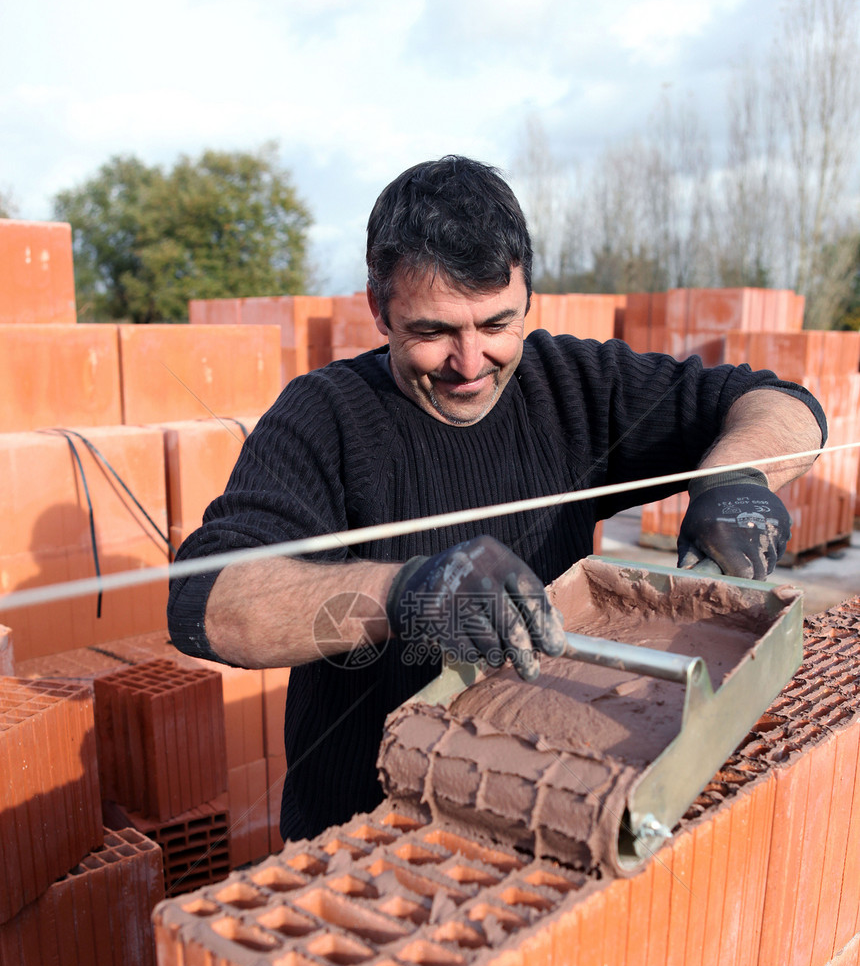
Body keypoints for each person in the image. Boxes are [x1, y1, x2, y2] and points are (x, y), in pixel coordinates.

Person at [168, 155, 825, 843]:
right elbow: (206, 605)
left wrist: (734, 481)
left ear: (528, 298)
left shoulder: (573, 384)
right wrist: (408, 593)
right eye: (433, 331)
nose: (470, 361)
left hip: (551, 809)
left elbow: (782, 406)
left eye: (495, 324)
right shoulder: (324, 417)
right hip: (366, 836)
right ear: (378, 310)